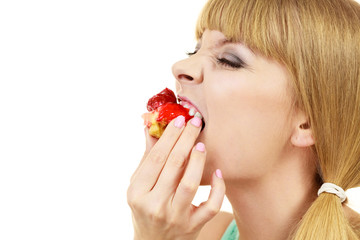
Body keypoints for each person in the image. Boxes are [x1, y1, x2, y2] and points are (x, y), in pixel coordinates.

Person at [127, 0, 360, 239]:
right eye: (195, 50)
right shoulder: (196, 232)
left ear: (308, 124)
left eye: (229, 60)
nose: (181, 66)